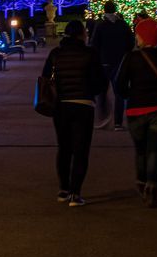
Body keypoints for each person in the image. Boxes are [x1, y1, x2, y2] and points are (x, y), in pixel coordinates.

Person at [41, 19, 107, 206]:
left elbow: (45, 78)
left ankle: (63, 189)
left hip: (61, 106)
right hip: (83, 105)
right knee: (81, 150)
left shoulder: (56, 54)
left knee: (64, 148)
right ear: (81, 34)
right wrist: (90, 91)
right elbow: (100, 82)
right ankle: (75, 193)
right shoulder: (90, 53)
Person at [116, 18, 157, 208]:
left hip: (136, 109)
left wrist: (130, 95)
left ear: (142, 36)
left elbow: (119, 85)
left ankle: (141, 181)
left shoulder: (131, 57)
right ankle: (152, 186)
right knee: (154, 151)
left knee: (140, 150)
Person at [89, 0, 135, 130]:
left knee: (102, 92)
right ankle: (118, 122)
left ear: (104, 10)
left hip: (104, 63)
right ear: (115, 10)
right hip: (119, 62)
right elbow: (131, 43)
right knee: (119, 92)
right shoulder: (123, 25)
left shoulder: (100, 25)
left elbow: (94, 45)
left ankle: (103, 117)